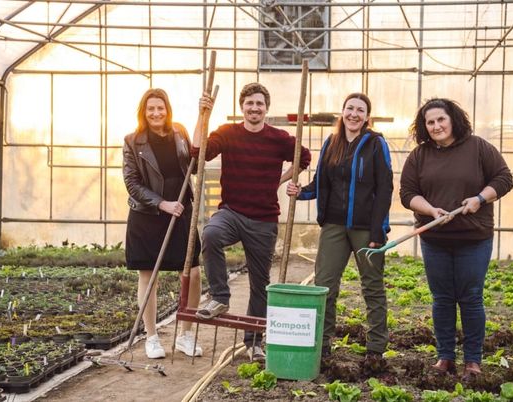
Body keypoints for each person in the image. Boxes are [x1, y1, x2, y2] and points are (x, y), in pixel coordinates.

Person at [192, 82, 311, 361]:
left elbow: (304, 157)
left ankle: (254, 342)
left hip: (264, 219)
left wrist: (280, 180)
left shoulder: (279, 138)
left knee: (260, 283)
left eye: (259, 103)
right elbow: (199, 152)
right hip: (232, 212)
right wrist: (202, 115)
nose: (254, 108)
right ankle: (220, 297)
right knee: (210, 234)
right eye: (249, 103)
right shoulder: (228, 133)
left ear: (266, 108)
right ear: (241, 107)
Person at [399, 98, 513, 378]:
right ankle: (445, 357)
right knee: (442, 298)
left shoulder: (478, 147)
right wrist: (430, 210)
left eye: (441, 119)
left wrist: (478, 199)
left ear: (453, 120)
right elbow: (407, 193)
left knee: (471, 297)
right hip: (435, 238)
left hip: (473, 238)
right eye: (430, 122)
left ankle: (473, 360)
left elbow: (503, 178)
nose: (436, 126)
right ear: (424, 127)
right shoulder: (419, 156)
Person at [286, 93, 393, 372]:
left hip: (365, 229)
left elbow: (385, 188)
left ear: (367, 117)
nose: (354, 114)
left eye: (360, 110)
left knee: (372, 286)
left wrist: (378, 230)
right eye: (349, 109)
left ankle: (376, 349)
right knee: (325, 287)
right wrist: (301, 192)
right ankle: (321, 345)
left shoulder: (376, 144)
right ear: (342, 112)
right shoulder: (331, 143)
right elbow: (322, 181)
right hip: (333, 226)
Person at [122, 88, 204, 359]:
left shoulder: (179, 132)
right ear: (143, 113)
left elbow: (195, 157)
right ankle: (152, 337)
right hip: (148, 216)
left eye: (161, 108)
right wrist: (161, 203)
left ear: (168, 110)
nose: (156, 113)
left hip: (182, 212)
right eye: (151, 109)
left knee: (192, 273)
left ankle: (186, 335)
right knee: (148, 276)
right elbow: (132, 183)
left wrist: (203, 115)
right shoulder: (133, 141)